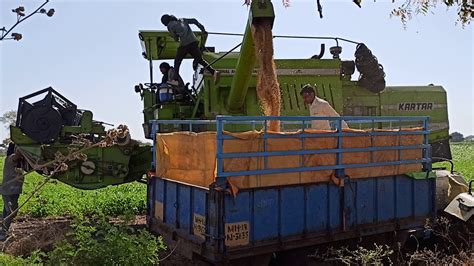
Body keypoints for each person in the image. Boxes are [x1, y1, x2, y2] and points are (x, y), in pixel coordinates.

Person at [160, 14, 220, 84]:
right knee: (200, 60)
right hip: (194, 42)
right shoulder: (182, 20)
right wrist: (203, 29)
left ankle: (175, 80)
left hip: (185, 44)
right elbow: (194, 20)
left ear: (165, 22)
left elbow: (176, 39)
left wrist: (176, 35)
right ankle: (214, 72)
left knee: (177, 61)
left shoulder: (169, 26)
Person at [0, 150, 25, 241]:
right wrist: (23, 149)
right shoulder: (10, 158)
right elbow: (18, 154)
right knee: (11, 211)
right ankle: (3, 233)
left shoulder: (21, 163)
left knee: (7, 212)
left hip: (15, 192)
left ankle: (3, 229)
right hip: (7, 191)